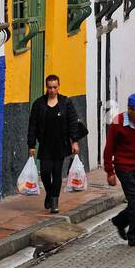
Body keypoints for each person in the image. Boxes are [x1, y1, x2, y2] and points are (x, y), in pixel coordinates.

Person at [27, 74, 86, 214]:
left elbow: (72, 122)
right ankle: (49, 193)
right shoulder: (39, 104)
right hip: (45, 144)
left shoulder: (65, 103)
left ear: (58, 87)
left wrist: (75, 141)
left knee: (57, 173)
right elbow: (32, 126)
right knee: (46, 173)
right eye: (49, 87)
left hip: (61, 144)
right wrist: (31, 145)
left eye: (54, 87)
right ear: (46, 88)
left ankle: (54, 202)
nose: (52, 90)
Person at [106, 93, 135, 247]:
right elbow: (108, 149)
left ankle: (120, 221)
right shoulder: (117, 123)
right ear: (130, 110)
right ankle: (134, 236)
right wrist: (110, 172)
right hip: (124, 167)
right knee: (134, 200)